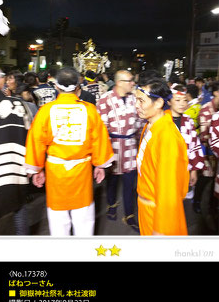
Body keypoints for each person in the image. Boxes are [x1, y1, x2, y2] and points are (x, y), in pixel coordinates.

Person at [25, 67, 114, 236]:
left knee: (58, 222)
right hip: (81, 171)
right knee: (84, 221)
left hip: (55, 172)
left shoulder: (46, 111)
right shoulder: (89, 110)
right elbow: (100, 139)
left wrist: (36, 169)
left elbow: (36, 141)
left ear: (56, 86)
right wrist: (100, 165)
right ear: (78, 85)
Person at [135, 78, 189, 235]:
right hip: (146, 207)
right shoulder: (152, 124)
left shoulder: (166, 136)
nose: (136, 105)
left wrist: (161, 229)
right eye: (136, 100)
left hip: (157, 214)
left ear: (158, 103)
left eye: (141, 100)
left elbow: (169, 189)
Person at [97, 70, 144, 230]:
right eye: (130, 80)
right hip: (112, 147)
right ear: (119, 83)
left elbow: (139, 121)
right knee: (112, 181)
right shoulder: (104, 100)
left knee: (130, 183)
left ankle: (129, 214)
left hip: (131, 146)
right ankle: (111, 204)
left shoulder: (135, 98)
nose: (133, 83)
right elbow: (101, 129)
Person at [0, 67, 30, 234]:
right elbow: (29, 136)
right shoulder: (18, 105)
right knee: (19, 207)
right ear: (2, 81)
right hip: (15, 169)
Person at [168, 84, 205, 189]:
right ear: (169, 101)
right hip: (166, 170)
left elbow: (194, 145)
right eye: (178, 100)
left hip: (184, 169)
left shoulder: (188, 121)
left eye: (184, 100)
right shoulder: (162, 121)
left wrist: (193, 171)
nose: (182, 104)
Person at [193, 82, 219, 219]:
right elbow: (205, 137)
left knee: (215, 181)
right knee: (204, 179)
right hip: (207, 153)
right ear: (216, 93)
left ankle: (212, 206)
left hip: (216, 153)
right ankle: (196, 201)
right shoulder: (206, 110)